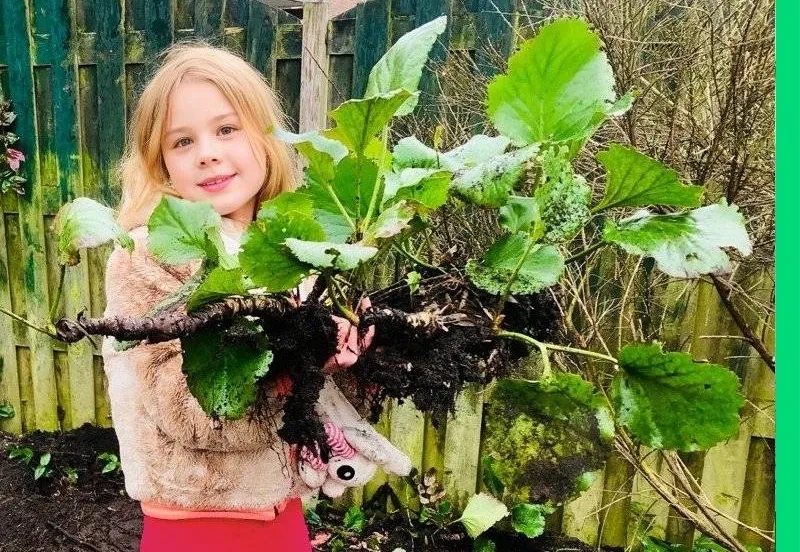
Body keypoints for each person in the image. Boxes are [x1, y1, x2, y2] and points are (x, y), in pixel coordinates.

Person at [100, 42, 411, 552]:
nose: (208, 152)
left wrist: (352, 359)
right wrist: (291, 370)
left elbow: (313, 398)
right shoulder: (147, 256)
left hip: (277, 510)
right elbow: (192, 410)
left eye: (226, 129)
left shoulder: (287, 251)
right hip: (196, 520)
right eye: (182, 142)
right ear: (160, 166)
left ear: (266, 139)